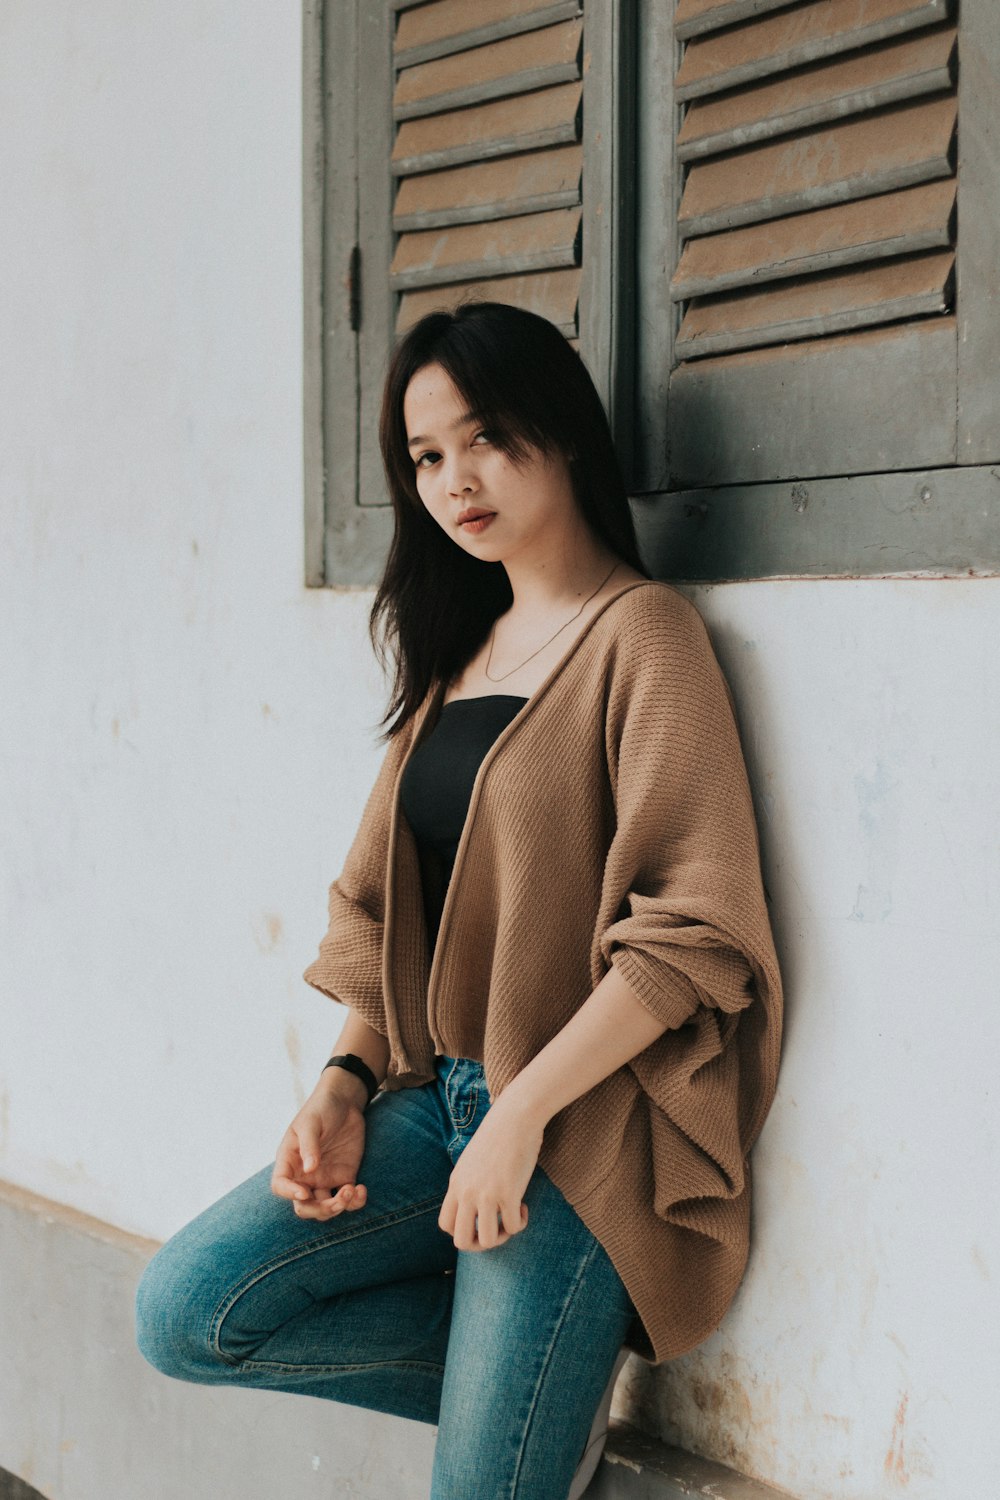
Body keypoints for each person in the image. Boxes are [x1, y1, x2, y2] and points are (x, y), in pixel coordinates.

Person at [134, 301, 784, 1499]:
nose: (453, 480)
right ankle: (533, 1386)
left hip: (578, 1127)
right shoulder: (461, 659)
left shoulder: (645, 638)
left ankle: (525, 1392)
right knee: (188, 1310)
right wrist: (339, 1083)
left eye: (480, 437)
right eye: (425, 457)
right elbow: (389, 916)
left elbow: (691, 934)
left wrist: (522, 1116)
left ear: (565, 433)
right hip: (438, 1103)